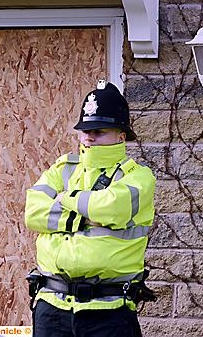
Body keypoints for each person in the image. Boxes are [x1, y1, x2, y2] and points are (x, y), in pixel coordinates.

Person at [24, 80, 156, 337]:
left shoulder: (138, 177)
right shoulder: (63, 168)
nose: (89, 137)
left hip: (108, 310)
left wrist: (65, 198)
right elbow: (33, 213)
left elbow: (111, 207)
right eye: (85, 130)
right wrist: (83, 218)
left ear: (121, 136)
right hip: (52, 307)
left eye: (99, 131)